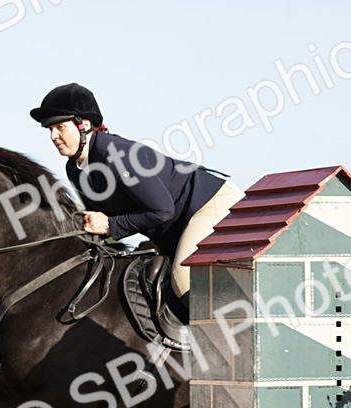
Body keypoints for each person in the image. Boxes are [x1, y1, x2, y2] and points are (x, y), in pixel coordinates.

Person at [30, 83, 244, 300]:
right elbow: (101, 225)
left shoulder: (116, 154)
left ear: (83, 125)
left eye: (60, 127)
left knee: (183, 279)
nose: (53, 136)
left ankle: (230, 332)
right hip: (176, 225)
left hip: (210, 205)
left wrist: (111, 225)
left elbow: (162, 210)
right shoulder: (74, 169)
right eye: (50, 129)